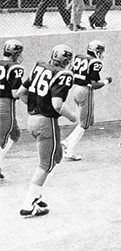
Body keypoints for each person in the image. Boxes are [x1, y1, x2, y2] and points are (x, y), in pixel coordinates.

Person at [17, 44, 76, 217]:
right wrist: (73, 117)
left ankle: (35, 195)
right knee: (45, 165)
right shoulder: (63, 74)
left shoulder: (39, 66)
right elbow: (57, 104)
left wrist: (37, 106)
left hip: (33, 119)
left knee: (56, 156)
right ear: (65, 59)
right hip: (46, 122)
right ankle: (28, 204)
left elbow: (21, 93)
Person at [61, 40, 112, 161]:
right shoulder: (95, 62)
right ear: (97, 51)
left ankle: (67, 141)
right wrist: (106, 81)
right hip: (85, 92)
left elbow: (72, 73)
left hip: (76, 90)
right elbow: (94, 84)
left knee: (87, 121)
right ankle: (69, 150)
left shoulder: (79, 57)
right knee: (84, 124)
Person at [0, 39, 24, 180]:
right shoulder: (15, 67)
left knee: (14, 134)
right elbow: (15, 93)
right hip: (5, 104)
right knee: (2, 138)